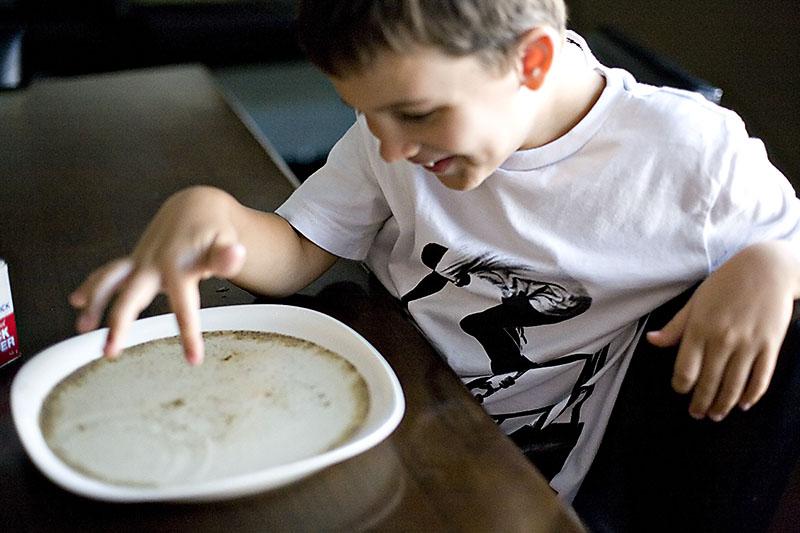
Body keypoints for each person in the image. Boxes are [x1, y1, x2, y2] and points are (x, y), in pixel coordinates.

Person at [70, 0, 800, 528]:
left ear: (532, 59)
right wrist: (217, 217)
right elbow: (297, 251)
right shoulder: (397, 133)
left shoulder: (690, 158)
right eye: (367, 114)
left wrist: (771, 262)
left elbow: (784, 230)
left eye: (414, 114)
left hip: (502, 486)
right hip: (372, 411)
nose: (389, 148)